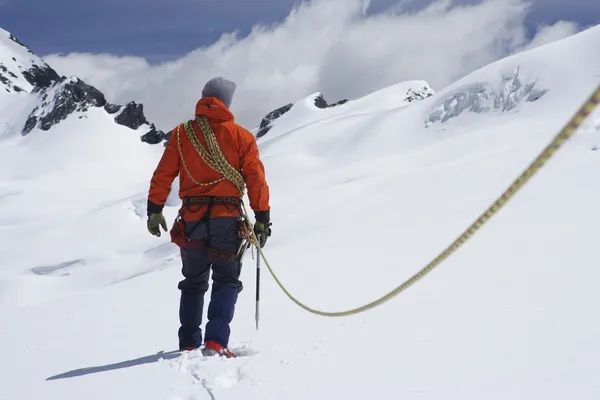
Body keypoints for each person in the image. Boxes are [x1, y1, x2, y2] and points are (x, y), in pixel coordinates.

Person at [145, 77, 271, 358]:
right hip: (227, 218)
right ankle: (215, 342)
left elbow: (164, 174)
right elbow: (255, 178)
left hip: (191, 219)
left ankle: (189, 343)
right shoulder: (241, 136)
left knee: (193, 282)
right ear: (226, 103)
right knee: (226, 280)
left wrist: (154, 209)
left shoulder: (181, 135)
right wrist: (262, 216)